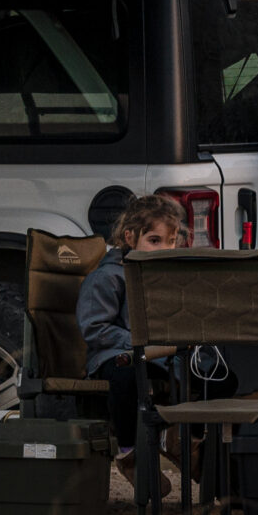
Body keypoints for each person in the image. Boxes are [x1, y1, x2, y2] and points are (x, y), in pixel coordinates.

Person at [77, 193, 186, 458]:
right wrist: (139, 343)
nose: (163, 249)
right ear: (129, 238)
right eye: (154, 241)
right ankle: (128, 450)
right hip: (115, 355)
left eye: (170, 242)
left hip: (159, 355)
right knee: (126, 376)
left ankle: (189, 444)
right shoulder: (107, 277)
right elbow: (94, 328)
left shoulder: (166, 278)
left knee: (216, 378)